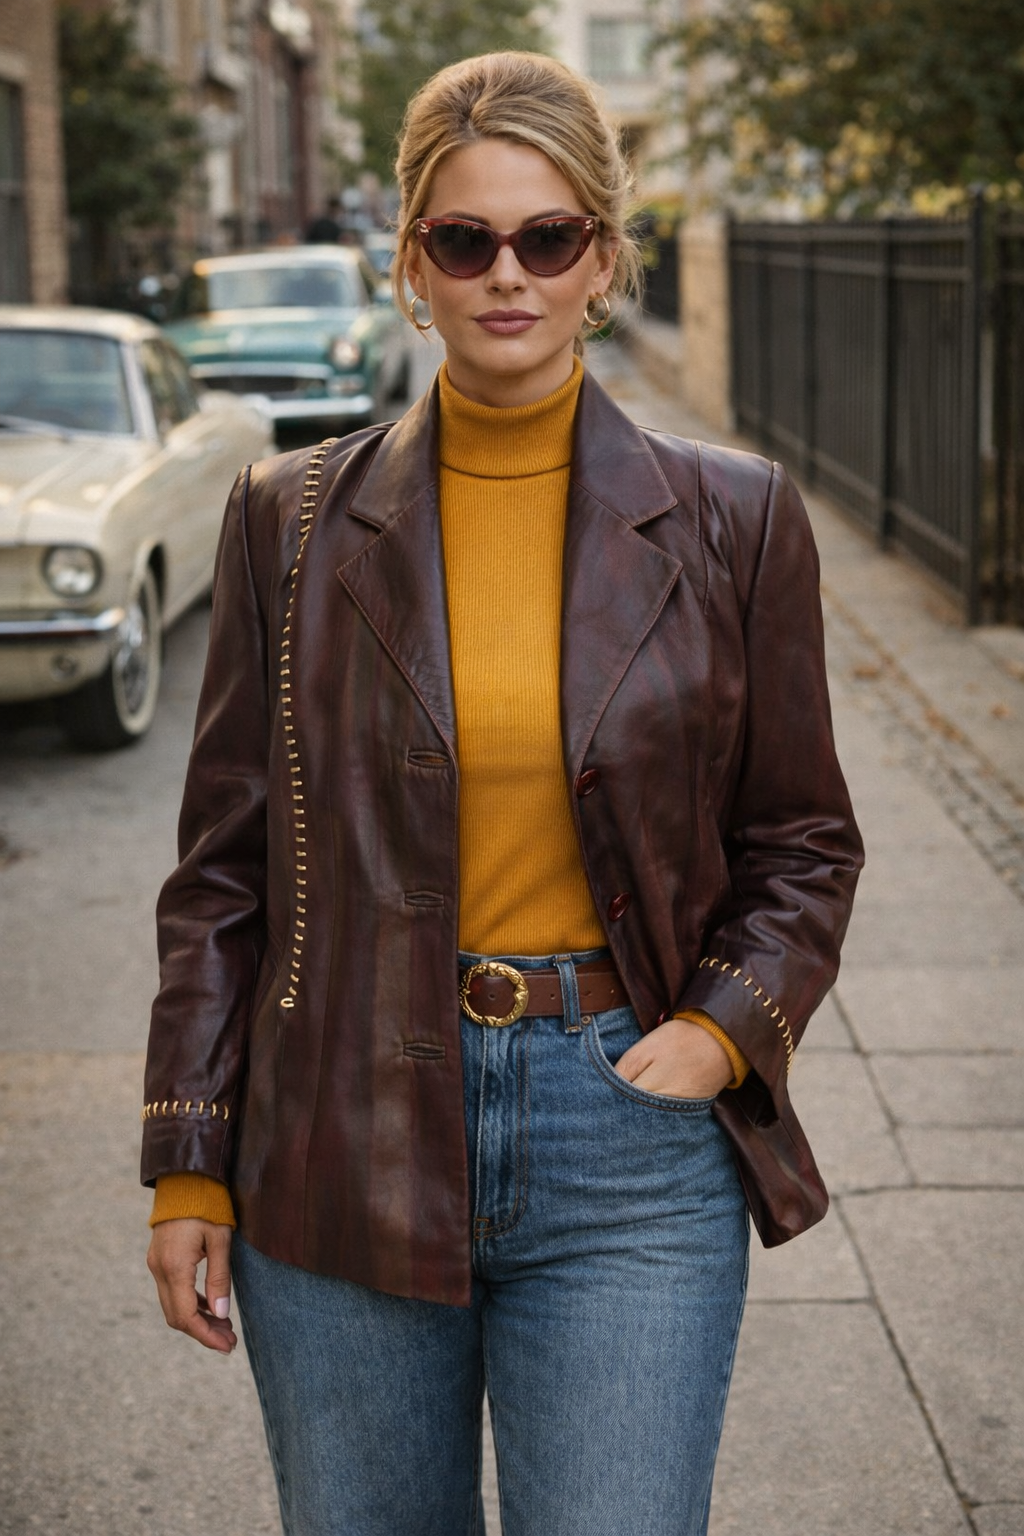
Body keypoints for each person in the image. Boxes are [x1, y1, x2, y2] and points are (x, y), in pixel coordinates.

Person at [143, 51, 863, 1536]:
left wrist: (720, 1035)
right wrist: (187, 1164)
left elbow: (800, 840)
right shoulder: (288, 522)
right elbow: (224, 873)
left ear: (604, 254)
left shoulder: (734, 520)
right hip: (341, 1125)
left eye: (549, 237)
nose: (508, 275)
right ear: (415, 261)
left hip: (626, 1143)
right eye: (465, 240)